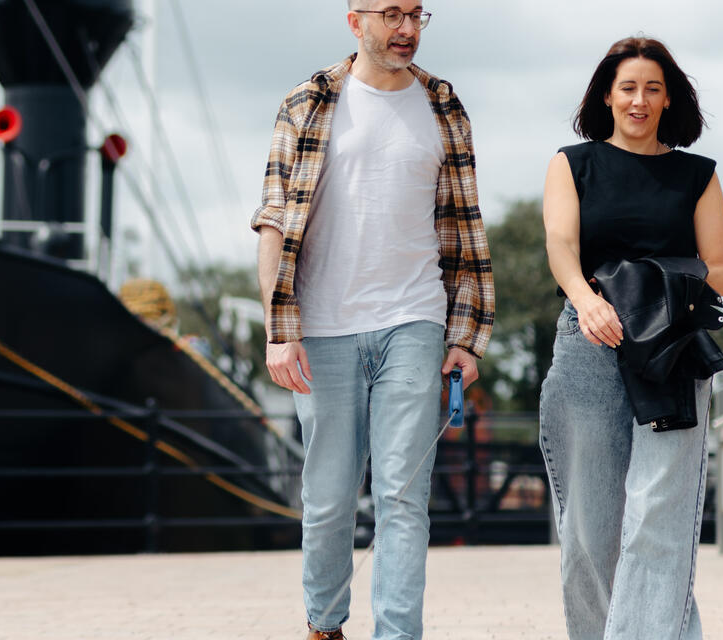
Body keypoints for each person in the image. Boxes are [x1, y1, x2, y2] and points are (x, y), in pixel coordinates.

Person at [250, 2, 493, 638]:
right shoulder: (309, 100)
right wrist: (280, 329)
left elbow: (467, 229)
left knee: (403, 495)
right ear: (355, 20)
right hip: (322, 327)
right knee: (329, 500)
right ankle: (324, 625)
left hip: (414, 318)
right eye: (391, 13)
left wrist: (465, 336)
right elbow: (274, 219)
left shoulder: (443, 105)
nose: (407, 28)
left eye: (417, 14)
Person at [537, 36, 723, 640]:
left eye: (652, 88)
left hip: (672, 352)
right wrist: (590, 301)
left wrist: (646, 291)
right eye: (628, 88)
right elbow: (562, 248)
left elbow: (719, 269)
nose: (640, 100)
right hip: (589, 343)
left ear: (668, 97)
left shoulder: (695, 176)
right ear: (607, 95)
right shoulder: (574, 164)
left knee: (657, 520)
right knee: (591, 531)